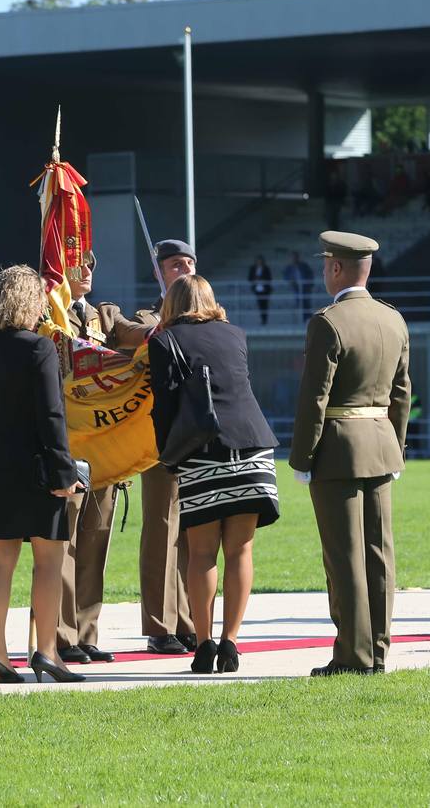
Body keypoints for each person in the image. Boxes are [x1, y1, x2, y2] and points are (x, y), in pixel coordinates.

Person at [290, 231, 410, 676]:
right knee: (379, 554)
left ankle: (352, 655)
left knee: (345, 557)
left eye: (326, 264)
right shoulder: (393, 320)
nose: (325, 271)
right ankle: (377, 651)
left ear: (337, 268)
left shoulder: (328, 321)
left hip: (338, 451)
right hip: (381, 446)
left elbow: (314, 399)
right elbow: (402, 392)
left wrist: (302, 458)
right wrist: (395, 446)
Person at [149, 275, 279, 674]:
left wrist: (168, 457)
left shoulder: (162, 340)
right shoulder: (235, 333)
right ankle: (231, 643)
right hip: (254, 448)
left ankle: (203, 644)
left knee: (201, 552)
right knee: (241, 551)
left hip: (202, 452)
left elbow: (165, 407)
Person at [0, 265, 86, 684]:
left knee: (1, 561)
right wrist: (63, 471)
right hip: (38, 467)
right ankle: (47, 651)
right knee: (49, 563)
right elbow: (51, 416)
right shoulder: (40, 348)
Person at [98, 238, 198, 655]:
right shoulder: (147, 318)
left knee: (196, 531)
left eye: (190, 263)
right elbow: (123, 332)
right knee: (162, 528)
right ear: (159, 272)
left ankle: (192, 619)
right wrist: (163, 327)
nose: (186, 270)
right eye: (176, 264)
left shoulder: (207, 314)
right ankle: (160, 624)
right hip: (158, 437)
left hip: (197, 435)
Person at [55, 252, 118, 665]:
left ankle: (87, 628)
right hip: (68, 442)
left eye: (93, 263)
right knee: (64, 542)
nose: (89, 271)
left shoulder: (101, 316)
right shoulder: (52, 314)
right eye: (79, 263)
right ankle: (60, 634)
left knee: (96, 539)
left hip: (102, 444)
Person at [282, 251, 313, 321]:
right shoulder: (288, 268)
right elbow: (285, 277)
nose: (294, 259)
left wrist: (309, 284)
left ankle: (307, 317)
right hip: (295, 288)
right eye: (293, 257)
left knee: (305, 301)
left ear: (298, 258)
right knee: (300, 301)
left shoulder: (304, 265)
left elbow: (310, 274)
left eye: (295, 257)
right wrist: (290, 280)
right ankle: (306, 316)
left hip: (304, 287)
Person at [247, 255, 273, 325]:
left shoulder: (266, 268)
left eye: (260, 260)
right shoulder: (253, 268)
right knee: (259, 305)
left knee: (265, 305)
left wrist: (262, 279)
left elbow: (269, 278)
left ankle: (264, 319)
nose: (259, 262)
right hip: (257, 289)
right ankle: (261, 319)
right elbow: (250, 278)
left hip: (265, 290)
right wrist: (255, 279)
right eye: (258, 260)